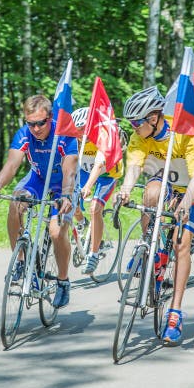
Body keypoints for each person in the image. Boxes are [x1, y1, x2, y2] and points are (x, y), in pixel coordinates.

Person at [115, 86, 194, 346]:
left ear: (154, 118)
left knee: (181, 245)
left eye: (137, 122)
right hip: (167, 181)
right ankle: (150, 247)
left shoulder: (185, 132)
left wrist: (186, 202)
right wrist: (125, 190)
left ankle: (175, 313)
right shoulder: (141, 136)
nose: (133, 127)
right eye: (131, 123)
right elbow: (135, 166)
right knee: (150, 191)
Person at [0, 95, 78, 308]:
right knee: (15, 202)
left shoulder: (65, 134)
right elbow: (12, 164)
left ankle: (63, 281)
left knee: (55, 232)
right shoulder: (24, 134)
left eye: (40, 123)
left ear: (50, 118)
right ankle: (22, 261)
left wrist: (67, 195)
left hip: (63, 185)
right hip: (38, 178)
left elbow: (69, 171)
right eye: (31, 123)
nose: (35, 128)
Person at [71, 107, 124, 274]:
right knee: (70, 200)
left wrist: (87, 187)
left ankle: (93, 253)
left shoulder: (102, 136)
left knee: (95, 208)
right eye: (75, 129)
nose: (78, 133)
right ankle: (81, 223)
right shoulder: (74, 139)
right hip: (85, 170)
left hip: (107, 173)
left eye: (81, 129)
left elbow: (99, 164)